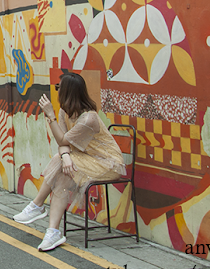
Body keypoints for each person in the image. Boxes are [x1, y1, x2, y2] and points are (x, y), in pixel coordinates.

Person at [12, 71, 127, 251]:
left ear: (67, 91)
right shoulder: (66, 112)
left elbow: (62, 141)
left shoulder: (89, 118)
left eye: (59, 87)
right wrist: (66, 157)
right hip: (84, 159)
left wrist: (51, 118)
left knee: (61, 160)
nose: (56, 90)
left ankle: (37, 205)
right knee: (63, 179)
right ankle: (52, 232)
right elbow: (64, 144)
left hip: (107, 164)